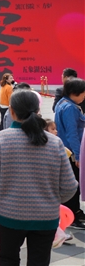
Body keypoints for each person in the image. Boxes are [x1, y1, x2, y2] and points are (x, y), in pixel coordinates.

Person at [0, 90, 78, 265]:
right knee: (39, 261)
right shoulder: (54, 142)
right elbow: (70, 186)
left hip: (10, 215)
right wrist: (53, 200)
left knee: (8, 259)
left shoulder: (0, 140)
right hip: (46, 218)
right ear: (37, 110)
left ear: (11, 111)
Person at [54, 78, 85, 229]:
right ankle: (71, 217)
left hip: (66, 151)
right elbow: (72, 134)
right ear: (75, 93)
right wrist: (79, 156)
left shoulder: (62, 103)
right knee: (74, 186)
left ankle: (75, 212)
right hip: (71, 153)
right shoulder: (70, 108)